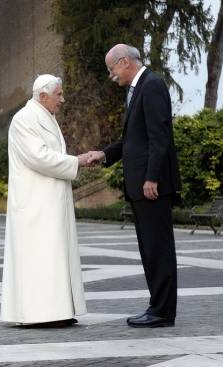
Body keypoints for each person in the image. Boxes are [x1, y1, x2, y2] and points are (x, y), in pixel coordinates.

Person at [87, 44, 181, 328]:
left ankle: (163, 311)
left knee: (158, 248)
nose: (111, 75)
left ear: (125, 62)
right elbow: (133, 141)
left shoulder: (151, 86)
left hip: (150, 186)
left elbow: (159, 136)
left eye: (111, 68)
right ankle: (157, 306)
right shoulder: (138, 89)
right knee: (149, 248)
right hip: (141, 186)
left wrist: (152, 177)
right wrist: (104, 154)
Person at [0, 74, 90, 326]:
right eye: (58, 95)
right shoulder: (24, 119)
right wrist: (77, 161)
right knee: (39, 258)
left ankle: (58, 311)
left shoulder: (44, 117)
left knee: (54, 256)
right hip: (35, 203)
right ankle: (39, 314)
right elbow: (39, 157)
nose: (63, 99)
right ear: (42, 96)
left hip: (49, 200)